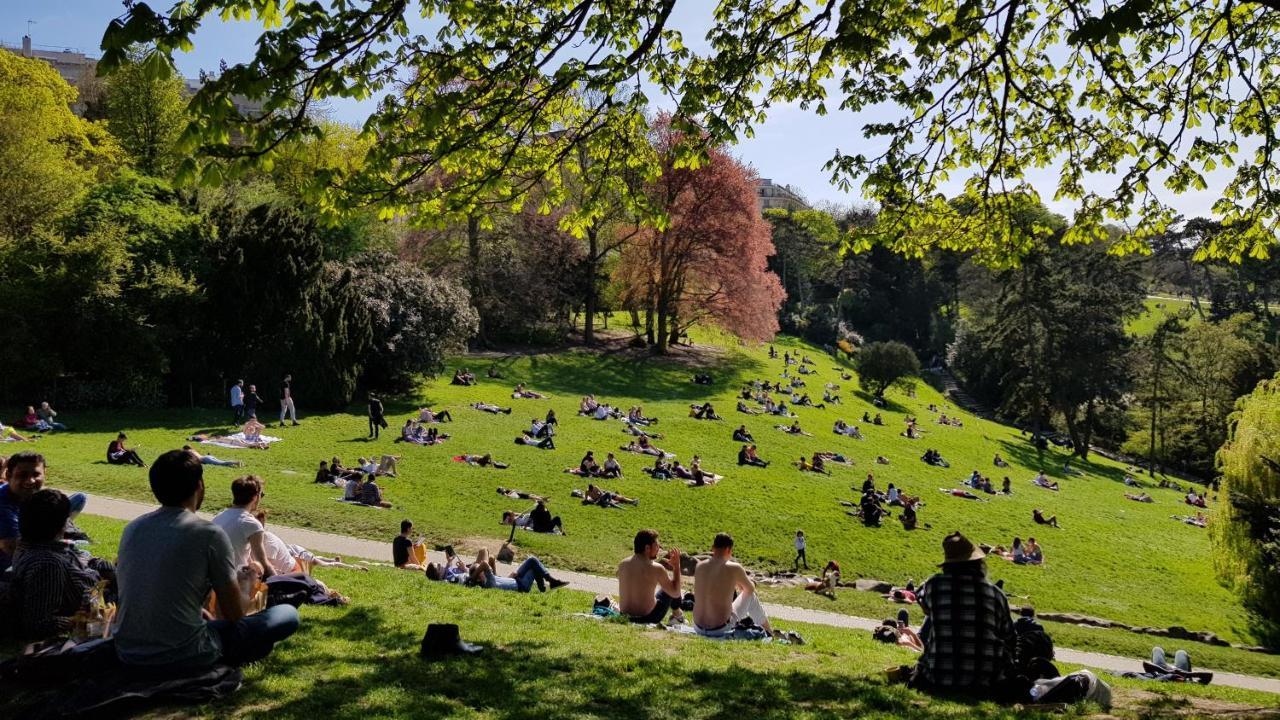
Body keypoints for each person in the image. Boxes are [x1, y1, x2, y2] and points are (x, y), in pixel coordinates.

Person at [114, 449, 300, 669]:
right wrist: (249, 581)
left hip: (128, 650)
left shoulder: (133, 529)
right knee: (287, 614)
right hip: (183, 652)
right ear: (199, 486)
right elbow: (234, 613)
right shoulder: (208, 534)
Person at [910, 532, 1020, 698]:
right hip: (988, 681)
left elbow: (926, 609)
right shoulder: (996, 594)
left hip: (939, 677)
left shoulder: (934, 585)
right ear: (978, 562)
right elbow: (1010, 637)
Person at [9, 489, 114, 640]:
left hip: (103, 582)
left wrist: (106, 567)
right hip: (103, 604)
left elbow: (83, 558)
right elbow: (37, 624)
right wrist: (79, 620)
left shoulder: (33, 545)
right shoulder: (48, 564)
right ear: (63, 524)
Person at [0, 452, 88, 572]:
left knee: (79, 498)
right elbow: (14, 548)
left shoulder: (32, 498)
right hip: (11, 569)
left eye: (36, 474)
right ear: (9, 475)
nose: (30, 481)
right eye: (23, 475)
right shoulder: (3, 507)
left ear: (44, 474)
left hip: (34, 549)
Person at [693, 533, 772, 636]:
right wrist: (750, 582)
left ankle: (768, 631)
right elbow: (750, 589)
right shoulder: (734, 568)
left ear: (713, 548)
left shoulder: (700, 566)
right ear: (728, 550)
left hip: (698, 627)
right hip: (719, 629)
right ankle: (769, 632)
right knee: (750, 595)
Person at [211, 475, 276, 579]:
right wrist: (279, 580)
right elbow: (263, 563)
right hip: (235, 581)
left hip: (213, 579)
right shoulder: (251, 524)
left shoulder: (218, 518)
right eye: (261, 495)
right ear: (255, 497)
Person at [617, 529, 685, 624]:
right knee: (670, 589)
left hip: (624, 616)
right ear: (647, 548)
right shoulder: (656, 568)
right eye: (656, 545)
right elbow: (676, 593)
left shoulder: (622, 564)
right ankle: (678, 615)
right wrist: (676, 567)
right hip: (648, 618)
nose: (659, 548)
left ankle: (677, 614)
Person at [468, 548, 568, 592]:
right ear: (477, 578)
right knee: (533, 564)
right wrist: (472, 578)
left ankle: (545, 587)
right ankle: (549, 583)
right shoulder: (488, 584)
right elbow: (485, 564)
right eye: (480, 572)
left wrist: (509, 577)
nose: (483, 571)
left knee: (532, 560)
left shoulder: (489, 579)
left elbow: (491, 559)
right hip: (522, 586)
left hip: (515, 579)